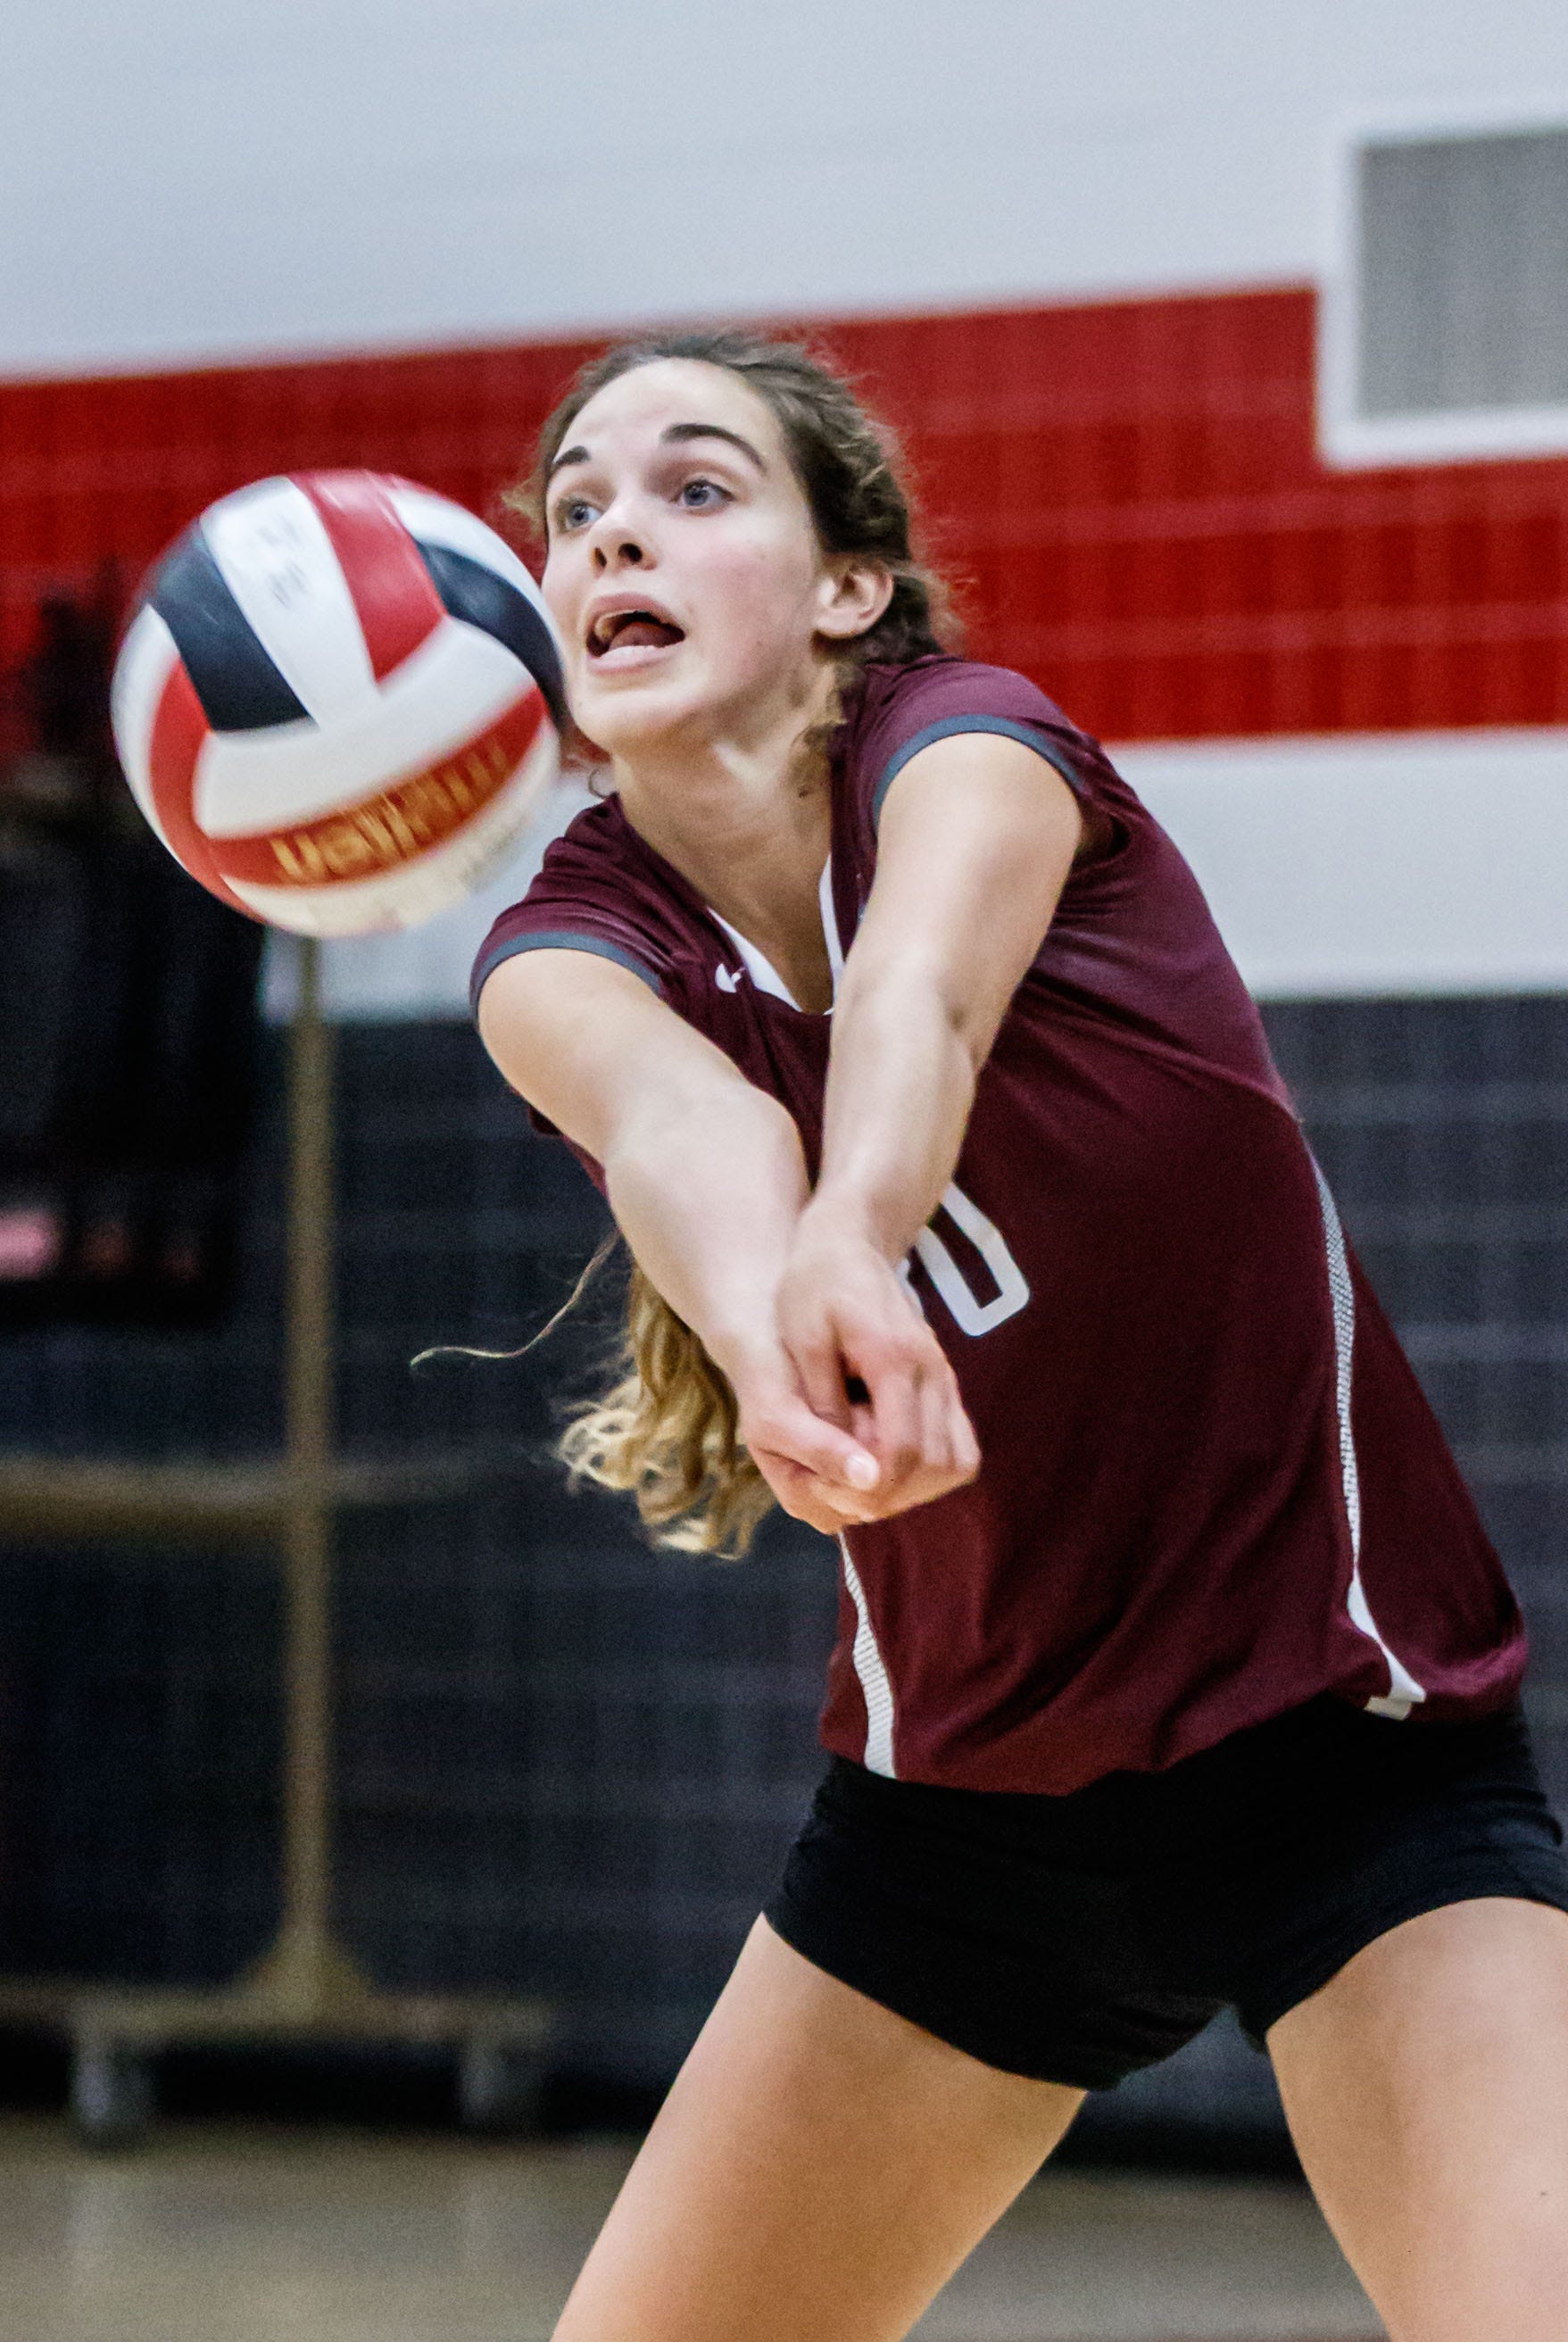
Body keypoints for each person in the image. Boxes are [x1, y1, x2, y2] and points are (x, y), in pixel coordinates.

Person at [471, 330, 1568, 2342]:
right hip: (962, 1825)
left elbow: (921, 1001)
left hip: (1352, 1754)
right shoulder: (561, 948)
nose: (614, 519)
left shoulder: (974, 746)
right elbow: (677, 1123)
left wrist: (860, 1234)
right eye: (575, 504)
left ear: (846, 588)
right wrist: (770, 1309)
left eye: (697, 487)